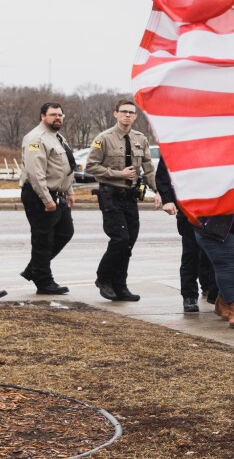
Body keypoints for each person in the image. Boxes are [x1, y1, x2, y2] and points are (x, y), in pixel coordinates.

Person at [83, 100, 158, 302]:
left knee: (128, 243)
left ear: (135, 116)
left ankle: (120, 285)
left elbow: (148, 168)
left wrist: (159, 191)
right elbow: (90, 167)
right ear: (115, 114)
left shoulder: (140, 139)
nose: (127, 115)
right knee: (120, 239)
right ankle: (104, 279)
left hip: (130, 197)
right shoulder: (103, 138)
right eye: (123, 112)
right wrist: (118, 174)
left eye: (131, 113)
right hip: (111, 195)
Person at [19, 101, 75, 296]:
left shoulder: (58, 137)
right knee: (43, 240)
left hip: (58, 194)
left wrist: (69, 191)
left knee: (66, 232)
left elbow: (65, 167)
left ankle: (34, 268)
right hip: (39, 195)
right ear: (43, 116)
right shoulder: (36, 138)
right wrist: (46, 199)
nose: (57, 118)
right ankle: (44, 281)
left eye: (60, 115)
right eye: (53, 115)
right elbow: (36, 173)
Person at [154, 157, 216, 312]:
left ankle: (214, 291)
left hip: (215, 206)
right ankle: (189, 296)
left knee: (217, 252)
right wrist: (168, 199)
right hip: (189, 206)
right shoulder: (179, 138)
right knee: (191, 253)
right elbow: (163, 175)